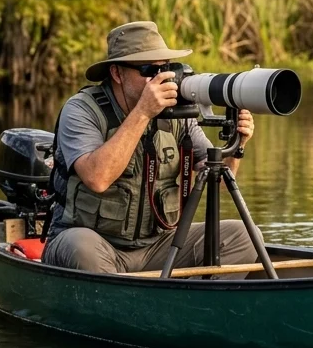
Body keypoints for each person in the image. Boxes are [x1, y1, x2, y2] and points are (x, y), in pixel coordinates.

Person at [42, 21, 261, 274]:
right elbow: (97, 178)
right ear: (117, 73)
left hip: (158, 245)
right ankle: (127, 306)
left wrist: (236, 146)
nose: (160, 78)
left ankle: (198, 307)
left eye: (165, 69)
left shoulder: (178, 115)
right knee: (79, 246)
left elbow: (219, 181)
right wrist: (143, 112)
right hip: (97, 244)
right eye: (149, 70)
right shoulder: (81, 110)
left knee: (242, 234)